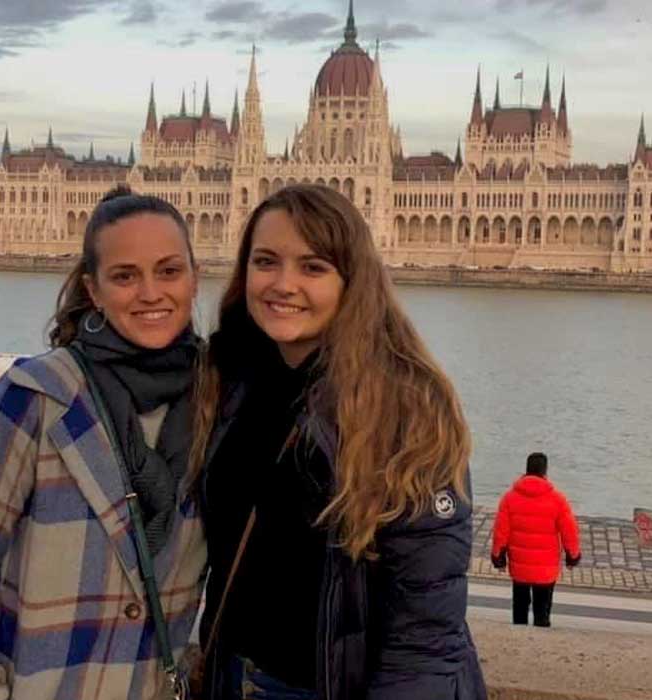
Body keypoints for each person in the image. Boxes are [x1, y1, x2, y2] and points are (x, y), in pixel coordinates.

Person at [189, 184, 486, 700]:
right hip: (231, 677)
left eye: (313, 267)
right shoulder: (229, 377)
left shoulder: (407, 408)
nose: (284, 284)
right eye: (266, 262)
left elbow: (424, 633)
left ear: (353, 280)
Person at [0, 185, 207, 700]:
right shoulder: (36, 397)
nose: (150, 293)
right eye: (125, 276)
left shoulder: (219, 401)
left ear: (194, 279)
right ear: (94, 290)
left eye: (168, 271)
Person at [490, 452, 581, 628]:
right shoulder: (557, 500)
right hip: (546, 567)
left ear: (526, 470)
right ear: (545, 472)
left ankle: (519, 636)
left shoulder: (509, 498)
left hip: (519, 565)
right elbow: (570, 532)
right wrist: (572, 557)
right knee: (542, 610)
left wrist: (498, 559)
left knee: (520, 608)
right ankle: (541, 631)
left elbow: (500, 533)